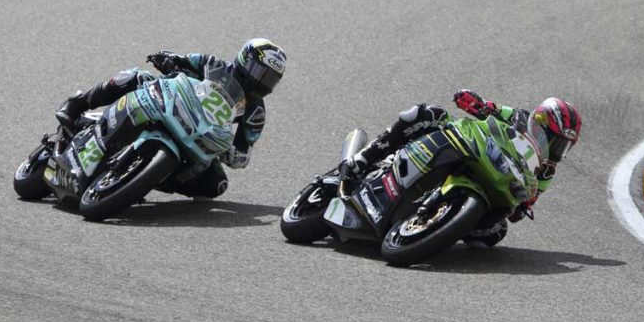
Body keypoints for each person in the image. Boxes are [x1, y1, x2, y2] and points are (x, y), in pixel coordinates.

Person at [339, 90, 581, 246]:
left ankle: (439, 224)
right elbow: (490, 109)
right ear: (539, 122)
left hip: (496, 178)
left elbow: (528, 200)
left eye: (563, 146)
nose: (556, 150)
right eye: (554, 140)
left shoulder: (547, 171)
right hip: (475, 147)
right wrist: (474, 102)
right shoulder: (518, 117)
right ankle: (364, 158)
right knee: (427, 114)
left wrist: (523, 205)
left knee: (495, 233)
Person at [53, 38, 286, 198]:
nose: (262, 82)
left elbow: (244, 153)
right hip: (172, 105)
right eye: (260, 73)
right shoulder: (213, 64)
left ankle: (146, 179)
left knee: (216, 184)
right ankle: (79, 103)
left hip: (199, 137)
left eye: (270, 79)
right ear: (245, 60)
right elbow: (182, 60)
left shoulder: (255, 113)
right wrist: (168, 60)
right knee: (136, 77)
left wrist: (231, 154)